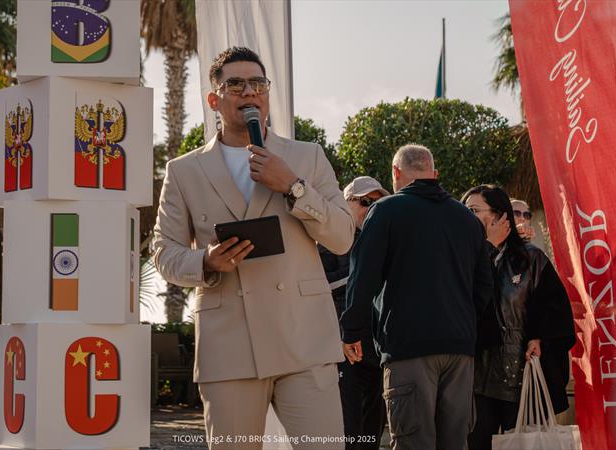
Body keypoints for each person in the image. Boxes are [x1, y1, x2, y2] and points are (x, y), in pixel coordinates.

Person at [152, 47, 355, 449]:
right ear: (214, 99)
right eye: (236, 84)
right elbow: (163, 252)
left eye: (258, 83)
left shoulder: (307, 157)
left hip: (304, 340)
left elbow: (343, 236)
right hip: (229, 347)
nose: (250, 92)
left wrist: (294, 187)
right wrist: (206, 261)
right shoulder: (183, 170)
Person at [340, 144, 494, 450]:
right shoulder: (467, 219)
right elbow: (484, 286)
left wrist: (352, 330)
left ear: (396, 172)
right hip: (459, 350)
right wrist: (461, 321)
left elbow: (363, 277)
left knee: (413, 442)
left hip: (407, 347)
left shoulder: (385, 211)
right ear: (434, 174)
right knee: (455, 443)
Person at [462, 185, 575, 450]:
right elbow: (465, 302)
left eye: (474, 211)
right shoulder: (462, 257)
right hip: (476, 379)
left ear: (500, 216)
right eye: (465, 211)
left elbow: (556, 311)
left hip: (523, 376)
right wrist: (488, 248)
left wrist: (540, 338)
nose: (467, 217)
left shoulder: (531, 258)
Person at [318, 176, 389, 450]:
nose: (371, 208)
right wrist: (362, 276)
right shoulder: (327, 240)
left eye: (377, 203)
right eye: (365, 202)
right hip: (342, 347)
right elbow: (318, 287)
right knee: (348, 429)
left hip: (376, 346)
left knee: (373, 430)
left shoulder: (383, 239)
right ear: (345, 203)